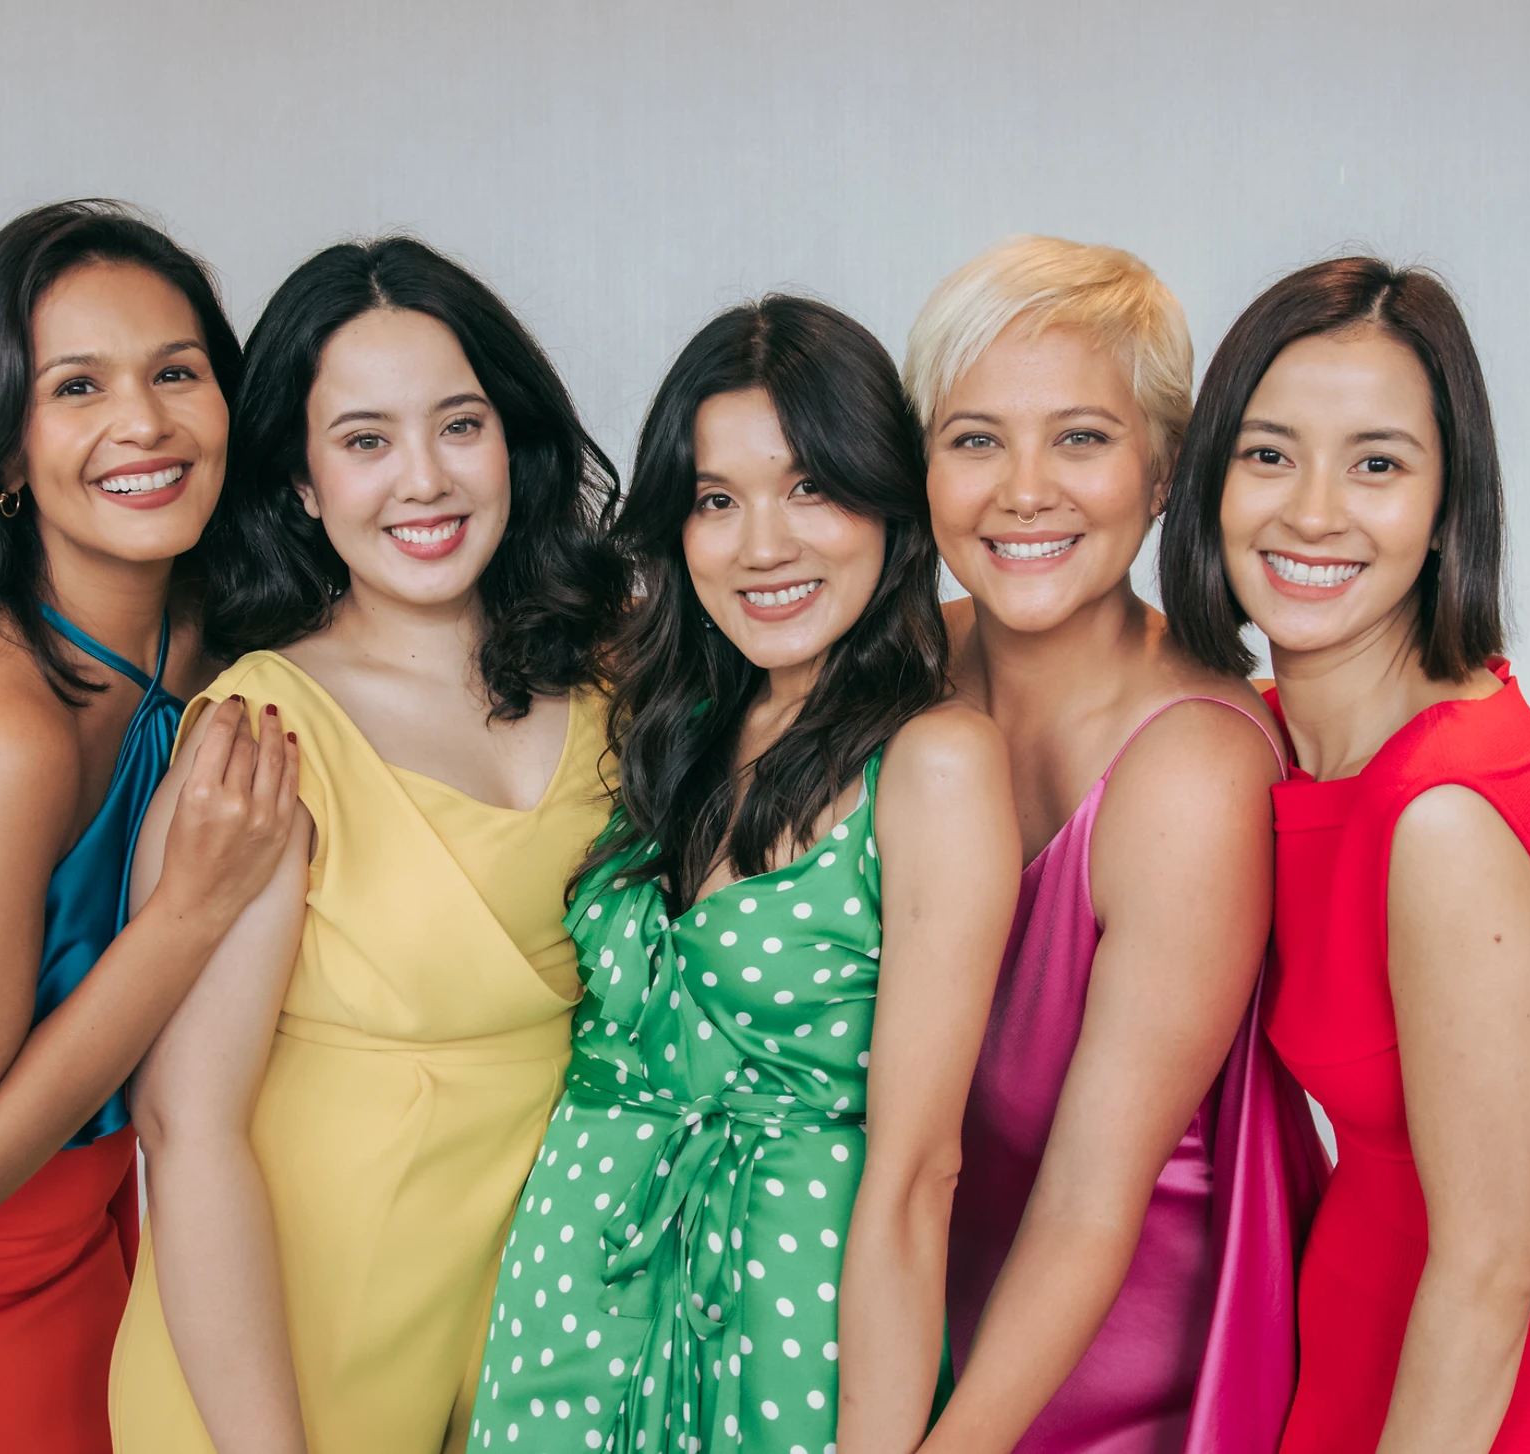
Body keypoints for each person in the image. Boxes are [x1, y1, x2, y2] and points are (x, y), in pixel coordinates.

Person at [469, 295, 1019, 1454]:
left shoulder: (933, 763)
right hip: (567, 1304)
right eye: (717, 500)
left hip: (785, 1328)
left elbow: (918, 1170)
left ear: (889, 501)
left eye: (810, 486)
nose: (762, 544)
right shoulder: (668, 717)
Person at [108, 236, 629, 1454]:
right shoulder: (258, 732)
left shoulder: (614, 672)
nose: (424, 479)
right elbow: (186, 1131)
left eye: (459, 424)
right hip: (290, 1353)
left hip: (534, 1334)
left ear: (513, 439)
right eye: (364, 440)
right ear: (299, 480)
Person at [0, 200, 297, 1454]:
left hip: (97, 1239)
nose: (143, 421)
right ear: (10, 455)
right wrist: (189, 911)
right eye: (77, 386)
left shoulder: (207, 630)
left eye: (176, 372)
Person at [1160, 256, 1530, 1453]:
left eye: (1375, 463)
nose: (1312, 510)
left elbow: (1496, 1259)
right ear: (1207, 477)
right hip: (1360, 1315)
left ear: (1444, 502)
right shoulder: (1287, 740)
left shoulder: (1442, 813)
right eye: (1267, 453)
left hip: (1490, 1379)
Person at [904, 236, 1326, 1454]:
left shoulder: (1192, 765)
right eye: (973, 437)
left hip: (1123, 1382)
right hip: (911, 1331)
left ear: (1160, 475)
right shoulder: (896, 676)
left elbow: (1091, 1204)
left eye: (1080, 437)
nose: (1021, 489)